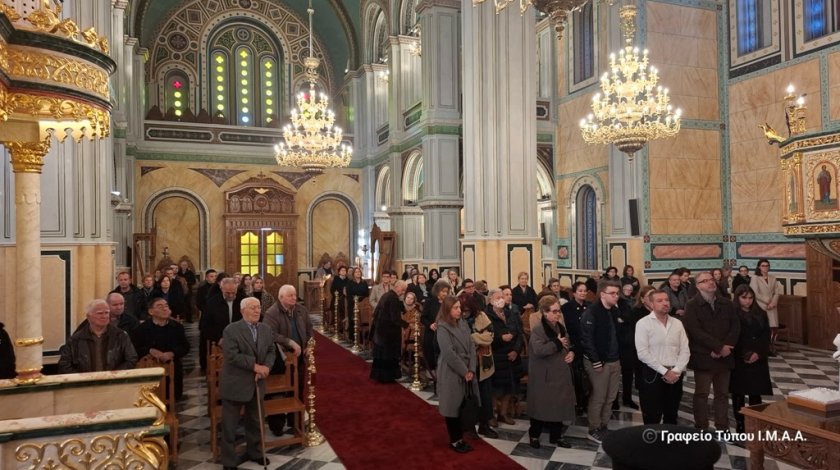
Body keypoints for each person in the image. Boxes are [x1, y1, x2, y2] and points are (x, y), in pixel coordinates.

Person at [219, 297, 275, 470]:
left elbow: (271, 350)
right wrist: (255, 366)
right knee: (230, 426)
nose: (257, 311)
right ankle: (228, 461)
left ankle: (256, 452)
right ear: (243, 310)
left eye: (259, 307)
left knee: (255, 421)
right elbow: (232, 355)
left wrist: (266, 367)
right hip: (235, 383)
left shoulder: (265, 329)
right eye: (253, 308)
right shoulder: (231, 330)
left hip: (257, 383)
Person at [682, 271, 741, 432]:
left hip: (725, 356)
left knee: (722, 394)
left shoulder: (726, 303)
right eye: (705, 281)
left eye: (712, 279)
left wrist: (727, 346)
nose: (710, 282)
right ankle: (701, 426)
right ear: (698, 286)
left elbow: (735, 326)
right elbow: (695, 331)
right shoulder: (692, 305)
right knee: (702, 394)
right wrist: (717, 347)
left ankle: (722, 426)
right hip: (704, 356)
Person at [263, 284, 313, 435]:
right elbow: (270, 334)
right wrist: (289, 342)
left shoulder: (301, 310)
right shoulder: (272, 313)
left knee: (298, 388)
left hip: (299, 357)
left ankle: (295, 421)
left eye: (295, 295)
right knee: (278, 391)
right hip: (281, 358)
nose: (294, 298)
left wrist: (308, 345)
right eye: (290, 295)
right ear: (281, 297)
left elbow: (309, 330)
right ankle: (277, 425)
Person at [634, 289, 690, 425]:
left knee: (671, 414)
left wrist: (676, 370)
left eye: (667, 300)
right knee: (652, 415)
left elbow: (685, 350)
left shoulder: (677, 323)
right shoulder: (643, 323)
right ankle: (653, 439)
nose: (665, 303)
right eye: (659, 301)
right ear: (651, 304)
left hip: (675, 374)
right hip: (653, 373)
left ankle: (668, 438)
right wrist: (665, 371)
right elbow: (642, 353)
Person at [527, 295, 576, 449]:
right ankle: (534, 435)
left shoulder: (560, 327)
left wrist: (571, 353)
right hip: (544, 375)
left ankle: (556, 436)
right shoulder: (538, 329)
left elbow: (567, 344)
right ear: (545, 312)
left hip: (560, 373)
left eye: (559, 311)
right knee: (541, 407)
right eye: (554, 311)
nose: (558, 314)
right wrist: (556, 342)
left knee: (559, 406)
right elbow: (539, 350)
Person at [435, 295, 479, 454]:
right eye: (455, 308)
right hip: (452, 370)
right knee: (452, 406)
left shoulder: (463, 323)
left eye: (459, 307)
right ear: (447, 310)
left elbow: (472, 346)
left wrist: (471, 368)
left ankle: (462, 436)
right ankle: (455, 440)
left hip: (467, 368)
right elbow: (449, 353)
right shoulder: (442, 327)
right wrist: (464, 371)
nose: (459, 310)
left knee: (463, 405)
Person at [579, 280, 622, 443]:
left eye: (617, 293)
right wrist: (596, 361)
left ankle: (604, 425)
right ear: (603, 294)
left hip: (614, 360)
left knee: (611, 397)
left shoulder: (614, 311)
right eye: (613, 293)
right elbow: (587, 339)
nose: (616, 296)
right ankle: (594, 428)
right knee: (598, 397)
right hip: (599, 362)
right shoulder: (591, 312)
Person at [730, 284, 773, 434]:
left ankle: (756, 423)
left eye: (750, 298)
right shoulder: (732, 314)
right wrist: (745, 354)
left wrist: (758, 353)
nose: (747, 301)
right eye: (744, 298)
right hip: (739, 358)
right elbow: (731, 336)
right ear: (737, 297)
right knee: (738, 393)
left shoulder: (760, 313)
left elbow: (766, 336)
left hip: (758, 357)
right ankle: (740, 424)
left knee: (756, 392)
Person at [131, 297, 190, 399]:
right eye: (160, 306)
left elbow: (185, 347)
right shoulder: (141, 329)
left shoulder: (177, 327)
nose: (165, 308)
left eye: (166, 306)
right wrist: (150, 350)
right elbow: (135, 349)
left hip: (173, 369)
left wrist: (172, 353)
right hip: (150, 370)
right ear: (151, 311)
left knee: (173, 397)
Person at [58, 299, 138, 373]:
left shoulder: (120, 335)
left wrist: (114, 374)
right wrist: (82, 378)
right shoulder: (76, 339)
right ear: (88, 316)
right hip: (85, 382)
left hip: (113, 381)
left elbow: (131, 359)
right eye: (100, 313)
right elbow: (64, 364)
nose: (104, 316)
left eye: (106, 313)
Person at [487, 286, 524, 426]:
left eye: (502, 297)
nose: (501, 300)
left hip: (512, 355)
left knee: (510, 387)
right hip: (497, 355)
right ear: (490, 300)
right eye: (498, 298)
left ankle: (503, 413)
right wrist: (500, 338)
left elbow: (519, 333)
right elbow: (485, 337)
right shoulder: (486, 315)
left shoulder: (510, 313)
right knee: (495, 388)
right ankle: (492, 414)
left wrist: (516, 350)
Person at [467, 290, 497, 438]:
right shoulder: (458, 318)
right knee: (469, 397)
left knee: (485, 396)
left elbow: (490, 335)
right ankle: (469, 426)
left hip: (483, 363)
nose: (464, 312)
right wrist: (477, 338)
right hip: (467, 365)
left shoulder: (481, 316)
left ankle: (484, 425)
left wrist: (473, 337)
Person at [200, 278, 244, 371]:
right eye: (227, 293)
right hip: (218, 341)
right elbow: (205, 326)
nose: (231, 295)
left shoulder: (243, 300)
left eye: (233, 293)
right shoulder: (212, 303)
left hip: (240, 341)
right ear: (221, 288)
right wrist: (218, 339)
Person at [370, 280, 409, 382]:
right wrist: (406, 325)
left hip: (381, 331)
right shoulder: (393, 298)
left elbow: (376, 313)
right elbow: (395, 318)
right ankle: (387, 377)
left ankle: (380, 376)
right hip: (389, 334)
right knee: (388, 355)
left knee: (381, 356)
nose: (403, 292)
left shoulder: (386, 295)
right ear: (398, 287)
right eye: (403, 290)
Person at [561, 281, 590, 416]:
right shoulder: (567, 308)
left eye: (585, 291)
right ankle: (578, 403)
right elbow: (566, 328)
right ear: (574, 293)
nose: (583, 293)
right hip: (574, 345)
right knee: (577, 376)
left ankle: (587, 402)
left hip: (588, 345)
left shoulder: (590, 306)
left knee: (588, 375)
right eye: (580, 291)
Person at [749, 258, 783, 352]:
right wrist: (767, 301)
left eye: (767, 266)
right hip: (761, 306)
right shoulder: (755, 278)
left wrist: (773, 303)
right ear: (759, 267)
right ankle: (763, 348)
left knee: (773, 327)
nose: (765, 267)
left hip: (772, 306)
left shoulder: (772, 277)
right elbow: (755, 293)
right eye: (763, 266)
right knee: (763, 327)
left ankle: (771, 347)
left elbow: (776, 292)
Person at [422, 279, 451, 385]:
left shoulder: (448, 303)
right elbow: (423, 318)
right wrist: (430, 325)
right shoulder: (429, 302)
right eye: (443, 291)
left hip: (445, 333)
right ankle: (432, 376)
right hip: (431, 333)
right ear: (437, 291)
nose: (445, 294)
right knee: (431, 354)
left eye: (446, 291)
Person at [345, 267, 369, 336]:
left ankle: (362, 335)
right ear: (353, 274)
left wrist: (362, 301)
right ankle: (352, 336)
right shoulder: (350, 283)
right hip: (352, 303)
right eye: (356, 272)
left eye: (359, 272)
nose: (358, 273)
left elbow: (367, 294)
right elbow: (348, 294)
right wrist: (355, 300)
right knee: (353, 319)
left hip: (362, 303)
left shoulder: (364, 283)